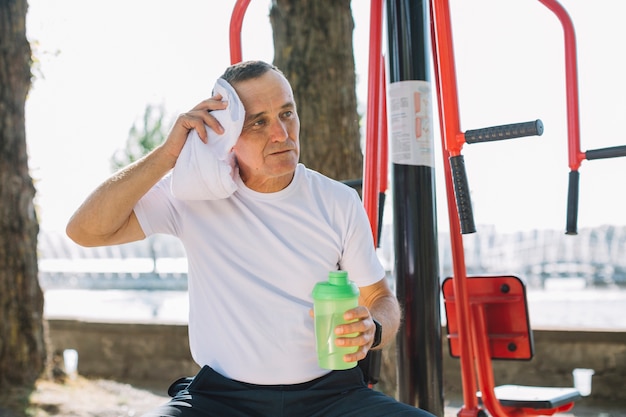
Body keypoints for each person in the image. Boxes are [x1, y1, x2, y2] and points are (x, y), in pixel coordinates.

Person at [66, 60, 434, 417]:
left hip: (330, 396)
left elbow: (381, 298)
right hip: (220, 399)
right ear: (225, 134)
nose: (281, 133)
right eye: (258, 122)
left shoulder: (338, 201)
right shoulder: (193, 198)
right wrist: (167, 155)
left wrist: (374, 328)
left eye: (286, 114)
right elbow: (84, 230)